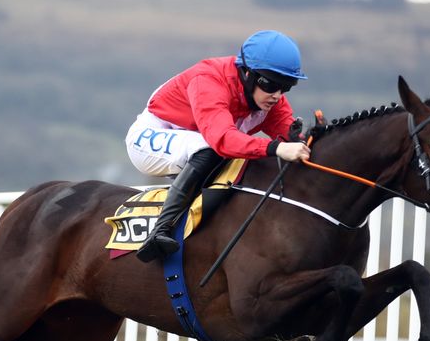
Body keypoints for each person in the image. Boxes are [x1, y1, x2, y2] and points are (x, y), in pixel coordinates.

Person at [125, 30, 312, 263]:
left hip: (200, 139)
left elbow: (290, 136)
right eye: (271, 84)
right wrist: (276, 148)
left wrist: (306, 139)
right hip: (152, 136)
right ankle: (160, 231)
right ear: (247, 74)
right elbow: (223, 140)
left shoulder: (269, 99)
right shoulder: (209, 81)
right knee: (210, 149)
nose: (277, 95)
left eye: (285, 87)